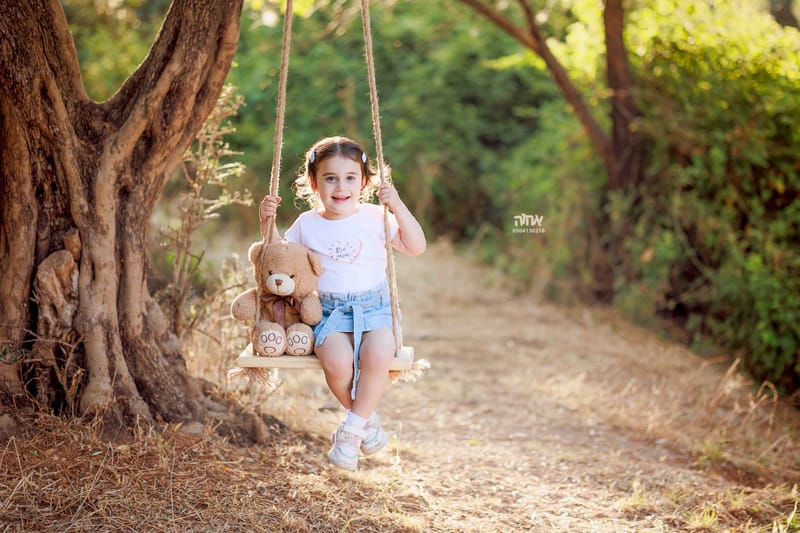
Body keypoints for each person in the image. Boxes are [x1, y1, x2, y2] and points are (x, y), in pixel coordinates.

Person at [259, 136, 426, 471]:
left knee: (378, 355)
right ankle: (365, 421)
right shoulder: (307, 224)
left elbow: (416, 246)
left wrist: (397, 205)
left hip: (375, 309)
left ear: (364, 182)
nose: (341, 186)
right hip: (329, 313)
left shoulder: (376, 216)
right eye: (330, 178)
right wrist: (267, 223)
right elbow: (280, 258)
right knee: (336, 364)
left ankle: (350, 432)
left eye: (350, 177)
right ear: (314, 183)